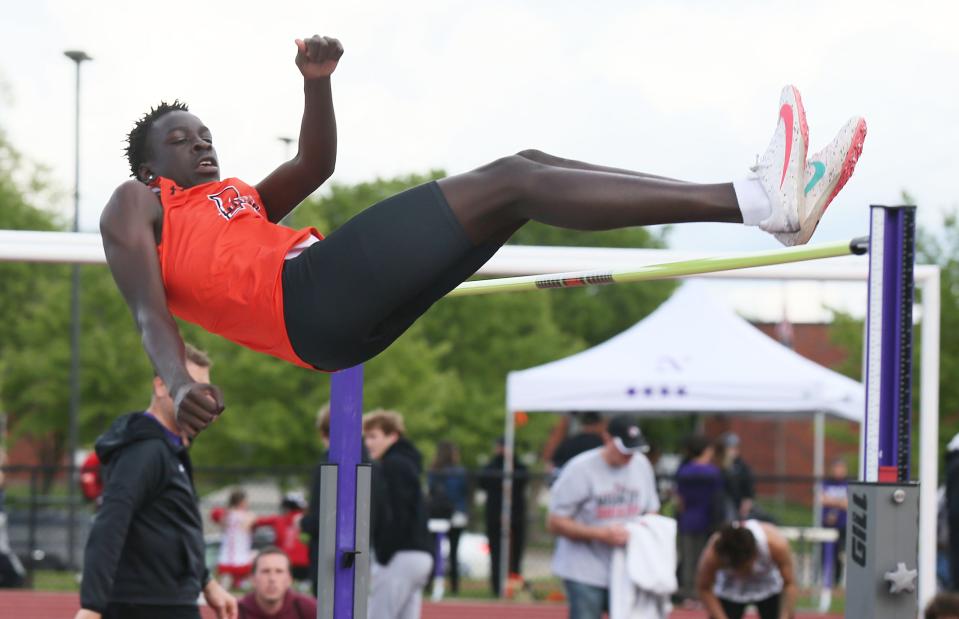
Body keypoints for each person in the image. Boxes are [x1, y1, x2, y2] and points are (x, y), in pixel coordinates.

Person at [99, 32, 867, 439]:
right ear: (148, 162)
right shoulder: (136, 203)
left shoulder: (235, 199)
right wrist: (180, 379)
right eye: (181, 138)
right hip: (307, 296)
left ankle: (763, 201)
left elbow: (315, 162)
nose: (201, 144)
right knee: (513, 178)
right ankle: (760, 200)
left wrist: (317, 85)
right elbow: (144, 307)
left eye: (204, 133)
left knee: (523, 176)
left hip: (329, 328)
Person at [75, 344, 237, 619]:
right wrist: (92, 606)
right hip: (146, 605)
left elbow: (177, 526)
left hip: (170, 600)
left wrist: (207, 582)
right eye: (192, 387)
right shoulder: (144, 451)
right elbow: (111, 522)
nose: (203, 400)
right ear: (161, 385)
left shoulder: (170, 449)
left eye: (205, 390)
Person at [547, 414, 660, 619]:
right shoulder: (580, 469)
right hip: (584, 568)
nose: (629, 457)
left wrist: (641, 532)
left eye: (634, 450)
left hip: (627, 567)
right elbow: (555, 522)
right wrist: (600, 534)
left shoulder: (641, 465)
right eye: (625, 450)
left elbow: (651, 511)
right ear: (607, 439)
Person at [363, 410, 433, 619]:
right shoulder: (407, 463)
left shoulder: (394, 465)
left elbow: (396, 512)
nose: (367, 443)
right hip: (419, 554)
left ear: (392, 436)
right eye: (365, 437)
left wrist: (384, 553)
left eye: (373, 436)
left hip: (401, 555)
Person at [696, 521, 797, 619]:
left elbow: (790, 583)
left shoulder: (775, 544)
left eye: (745, 567)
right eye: (736, 568)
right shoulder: (714, 554)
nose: (743, 574)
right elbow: (704, 587)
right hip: (730, 589)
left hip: (768, 587)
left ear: (754, 554)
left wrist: (785, 616)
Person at [675, 435, 724, 602]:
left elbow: (679, 499)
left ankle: (689, 592)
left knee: (688, 558)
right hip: (708, 520)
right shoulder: (713, 473)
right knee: (705, 559)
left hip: (688, 518)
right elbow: (718, 498)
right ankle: (703, 592)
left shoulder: (684, 471)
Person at [479, 437, 528, 597]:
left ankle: (513, 586)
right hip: (494, 515)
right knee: (496, 553)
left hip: (515, 517)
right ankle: (496, 586)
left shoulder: (518, 466)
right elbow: (483, 481)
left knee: (515, 554)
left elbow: (523, 478)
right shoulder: (492, 466)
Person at [427, 440, 469, 595]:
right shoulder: (459, 472)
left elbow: (431, 491)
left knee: (433, 550)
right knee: (454, 551)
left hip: (437, 514)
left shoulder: (433, 471)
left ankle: (429, 583)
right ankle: (455, 586)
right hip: (455, 513)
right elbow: (463, 492)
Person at [238, 547, 317, 619]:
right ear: (253, 578)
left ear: (289, 579)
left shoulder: (309, 609)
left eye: (279, 571)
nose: (272, 578)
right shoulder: (236, 611)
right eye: (265, 571)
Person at [253, 494, 310, 582]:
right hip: (305, 564)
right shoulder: (307, 521)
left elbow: (256, 521)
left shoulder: (279, 519)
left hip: (283, 562)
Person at [218, 489, 257, 589]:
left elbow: (221, 524)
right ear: (241, 502)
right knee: (250, 570)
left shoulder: (227, 514)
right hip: (241, 552)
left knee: (226, 581)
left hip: (227, 554)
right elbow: (246, 527)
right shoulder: (248, 515)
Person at [820, 458, 848, 587]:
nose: (839, 471)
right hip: (827, 524)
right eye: (837, 468)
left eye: (841, 468)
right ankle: (825, 580)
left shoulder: (848, 484)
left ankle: (836, 582)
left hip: (842, 525)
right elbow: (822, 499)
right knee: (825, 554)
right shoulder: (826, 483)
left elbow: (848, 503)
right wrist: (840, 502)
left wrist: (833, 501)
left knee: (839, 554)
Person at [718, 433, 757, 520]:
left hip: (737, 503)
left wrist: (747, 501)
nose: (733, 451)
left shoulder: (742, 466)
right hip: (721, 503)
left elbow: (748, 486)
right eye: (729, 448)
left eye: (735, 448)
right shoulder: (715, 465)